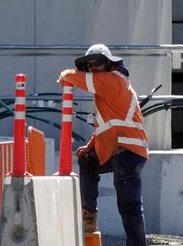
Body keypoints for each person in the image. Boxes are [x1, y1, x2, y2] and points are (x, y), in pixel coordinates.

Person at [57, 43, 149, 246]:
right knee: (87, 161)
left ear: (108, 64)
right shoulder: (104, 92)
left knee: (130, 207)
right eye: (88, 65)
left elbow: (79, 78)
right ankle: (89, 215)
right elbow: (106, 127)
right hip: (119, 152)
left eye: (96, 63)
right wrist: (90, 146)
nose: (92, 68)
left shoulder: (114, 80)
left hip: (128, 153)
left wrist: (65, 74)